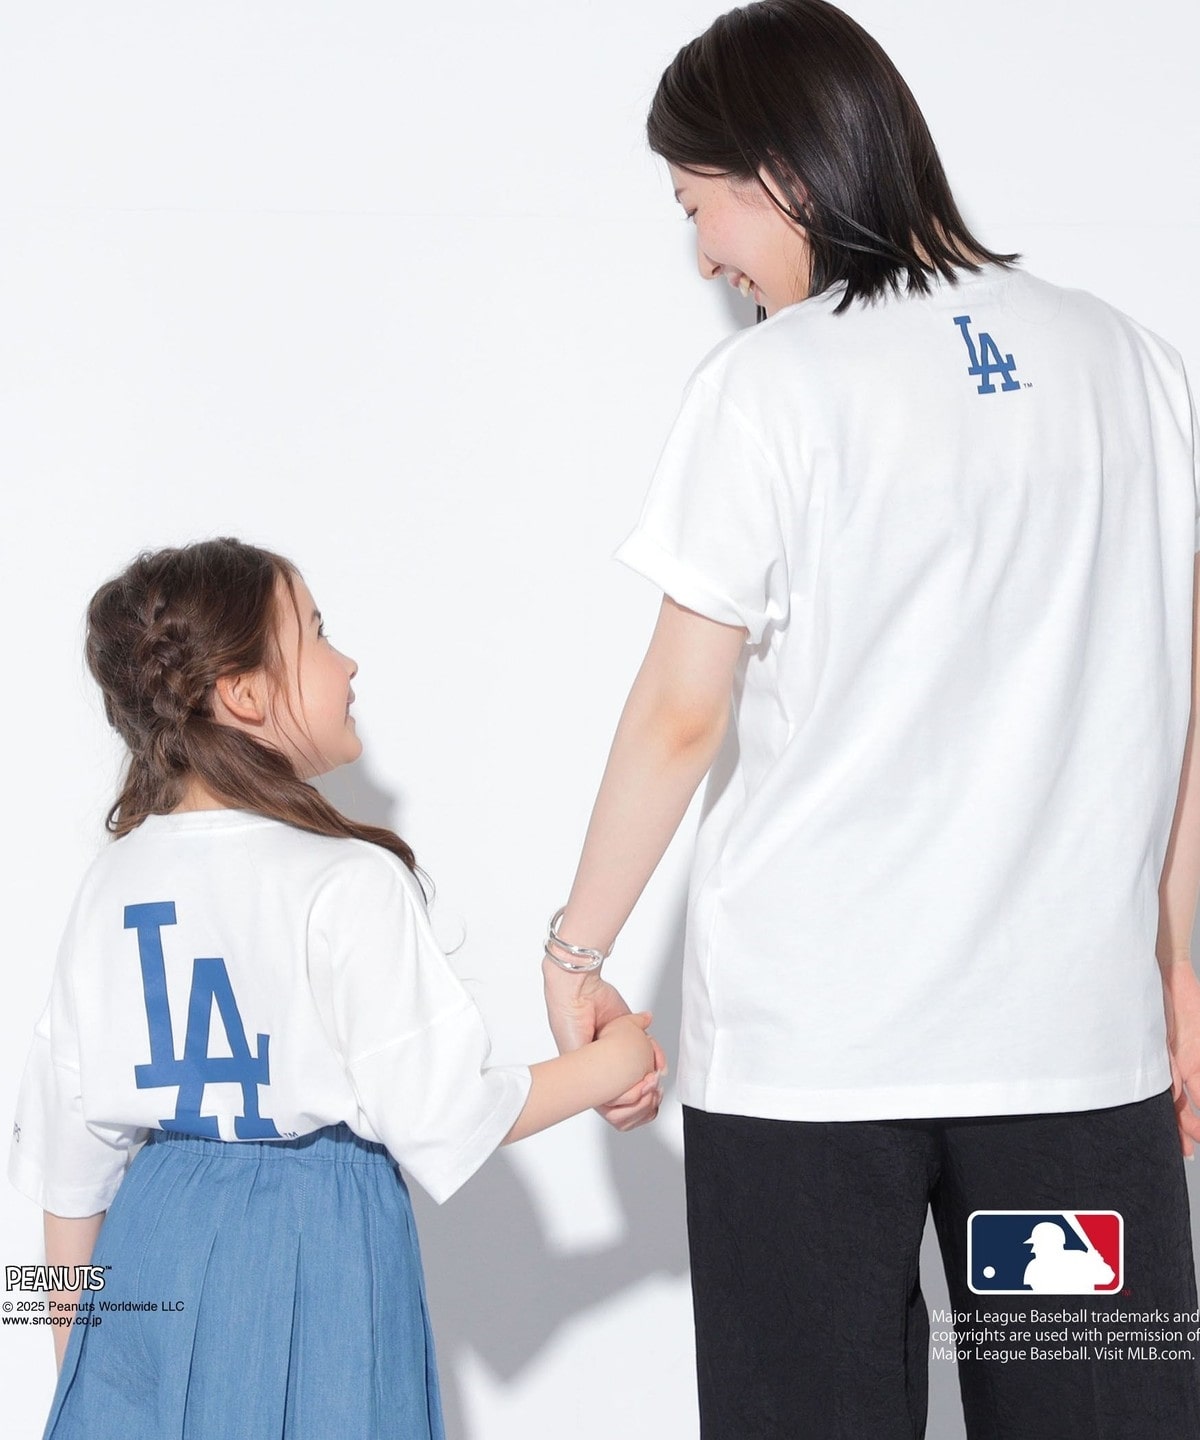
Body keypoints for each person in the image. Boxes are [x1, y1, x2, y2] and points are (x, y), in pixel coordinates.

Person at [539, 2, 1200, 1436]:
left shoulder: (772, 387)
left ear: (781, 170)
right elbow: (1175, 697)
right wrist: (1176, 967)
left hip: (811, 1072)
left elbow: (679, 713)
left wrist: (576, 947)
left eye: (698, 206)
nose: (705, 257)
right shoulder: (1138, 366)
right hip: (1072, 1060)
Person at [8, 537, 657, 1440]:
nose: (347, 663)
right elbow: (441, 1114)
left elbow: (69, 1169)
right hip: (317, 1247)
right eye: (316, 633)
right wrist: (616, 1060)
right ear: (243, 693)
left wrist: (78, 1387)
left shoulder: (111, 881)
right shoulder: (346, 879)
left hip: (153, 1234)